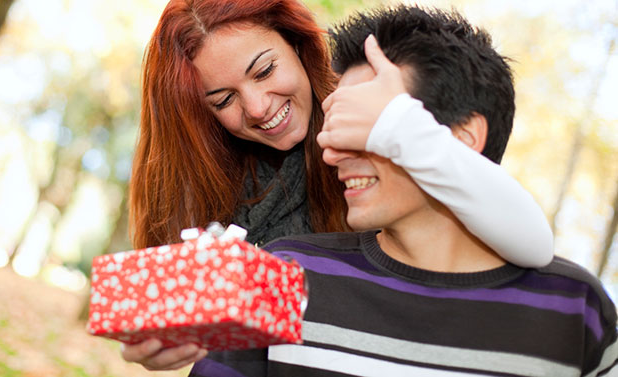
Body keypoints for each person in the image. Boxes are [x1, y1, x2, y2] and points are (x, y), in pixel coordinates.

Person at [123, 0, 555, 371]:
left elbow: (532, 243)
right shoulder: (227, 194)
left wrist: (399, 127)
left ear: (297, 45)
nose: (256, 107)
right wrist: (174, 336)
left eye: (265, 70)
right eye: (223, 100)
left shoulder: (374, 125)